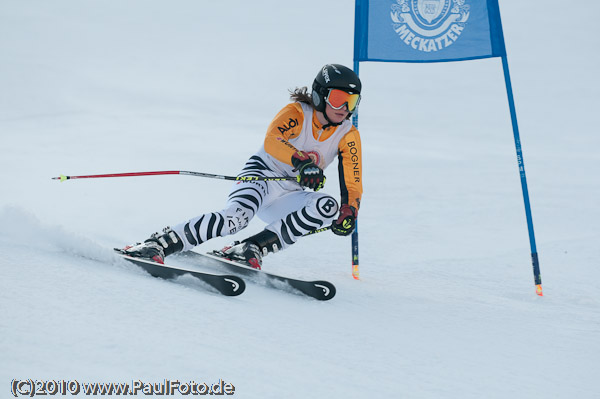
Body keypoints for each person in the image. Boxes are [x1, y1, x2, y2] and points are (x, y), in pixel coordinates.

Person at [120, 64, 363, 269]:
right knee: (235, 220)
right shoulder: (298, 112)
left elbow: (353, 180)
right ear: (320, 95)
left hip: (290, 193)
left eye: (351, 102)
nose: (344, 109)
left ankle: (252, 247)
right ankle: (160, 243)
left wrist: (349, 211)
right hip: (262, 177)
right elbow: (272, 140)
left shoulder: (348, 134)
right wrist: (302, 163)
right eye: (338, 99)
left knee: (328, 206)